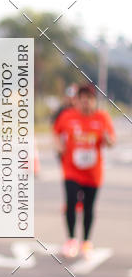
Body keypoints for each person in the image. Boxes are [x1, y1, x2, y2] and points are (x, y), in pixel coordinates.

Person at [53, 83, 115, 259]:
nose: (85, 103)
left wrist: (107, 139)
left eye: (89, 99)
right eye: (82, 99)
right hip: (71, 170)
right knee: (71, 202)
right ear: (77, 101)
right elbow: (56, 133)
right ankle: (71, 240)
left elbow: (111, 143)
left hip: (93, 172)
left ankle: (86, 242)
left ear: (94, 101)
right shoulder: (67, 116)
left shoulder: (102, 118)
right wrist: (59, 146)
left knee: (89, 206)